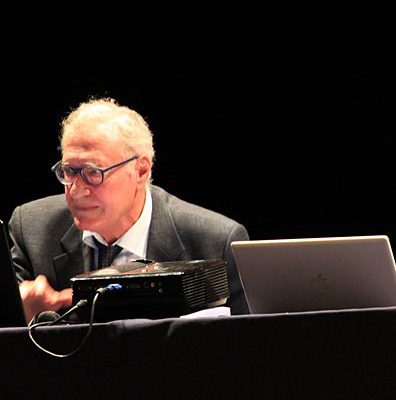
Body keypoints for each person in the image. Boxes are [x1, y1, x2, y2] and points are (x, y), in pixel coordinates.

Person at [8, 98, 250, 322]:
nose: (76, 190)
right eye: (69, 172)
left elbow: (240, 352)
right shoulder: (31, 230)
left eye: (93, 172)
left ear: (141, 170)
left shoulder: (215, 242)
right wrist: (20, 318)